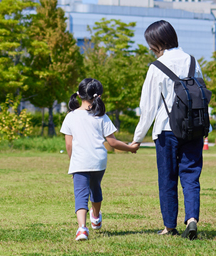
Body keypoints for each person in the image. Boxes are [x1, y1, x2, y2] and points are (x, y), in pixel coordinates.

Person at [132, 20, 205, 240]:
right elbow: (200, 94)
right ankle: (191, 219)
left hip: (166, 130)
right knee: (191, 176)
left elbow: (148, 108)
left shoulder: (156, 68)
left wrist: (137, 139)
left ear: (157, 42)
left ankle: (169, 226)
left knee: (167, 178)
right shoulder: (193, 61)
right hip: (194, 128)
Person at [61, 78, 139, 241]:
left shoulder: (71, 117)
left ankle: (82, 228)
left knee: (81, 194)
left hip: (80, 161)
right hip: (98, 161)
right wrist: (131, 148)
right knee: (95, 188)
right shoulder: (101, 116)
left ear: (79, 95)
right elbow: (112, 142)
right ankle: (95, 217)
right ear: (99, 96)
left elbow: (69, 144)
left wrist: (72, 160)